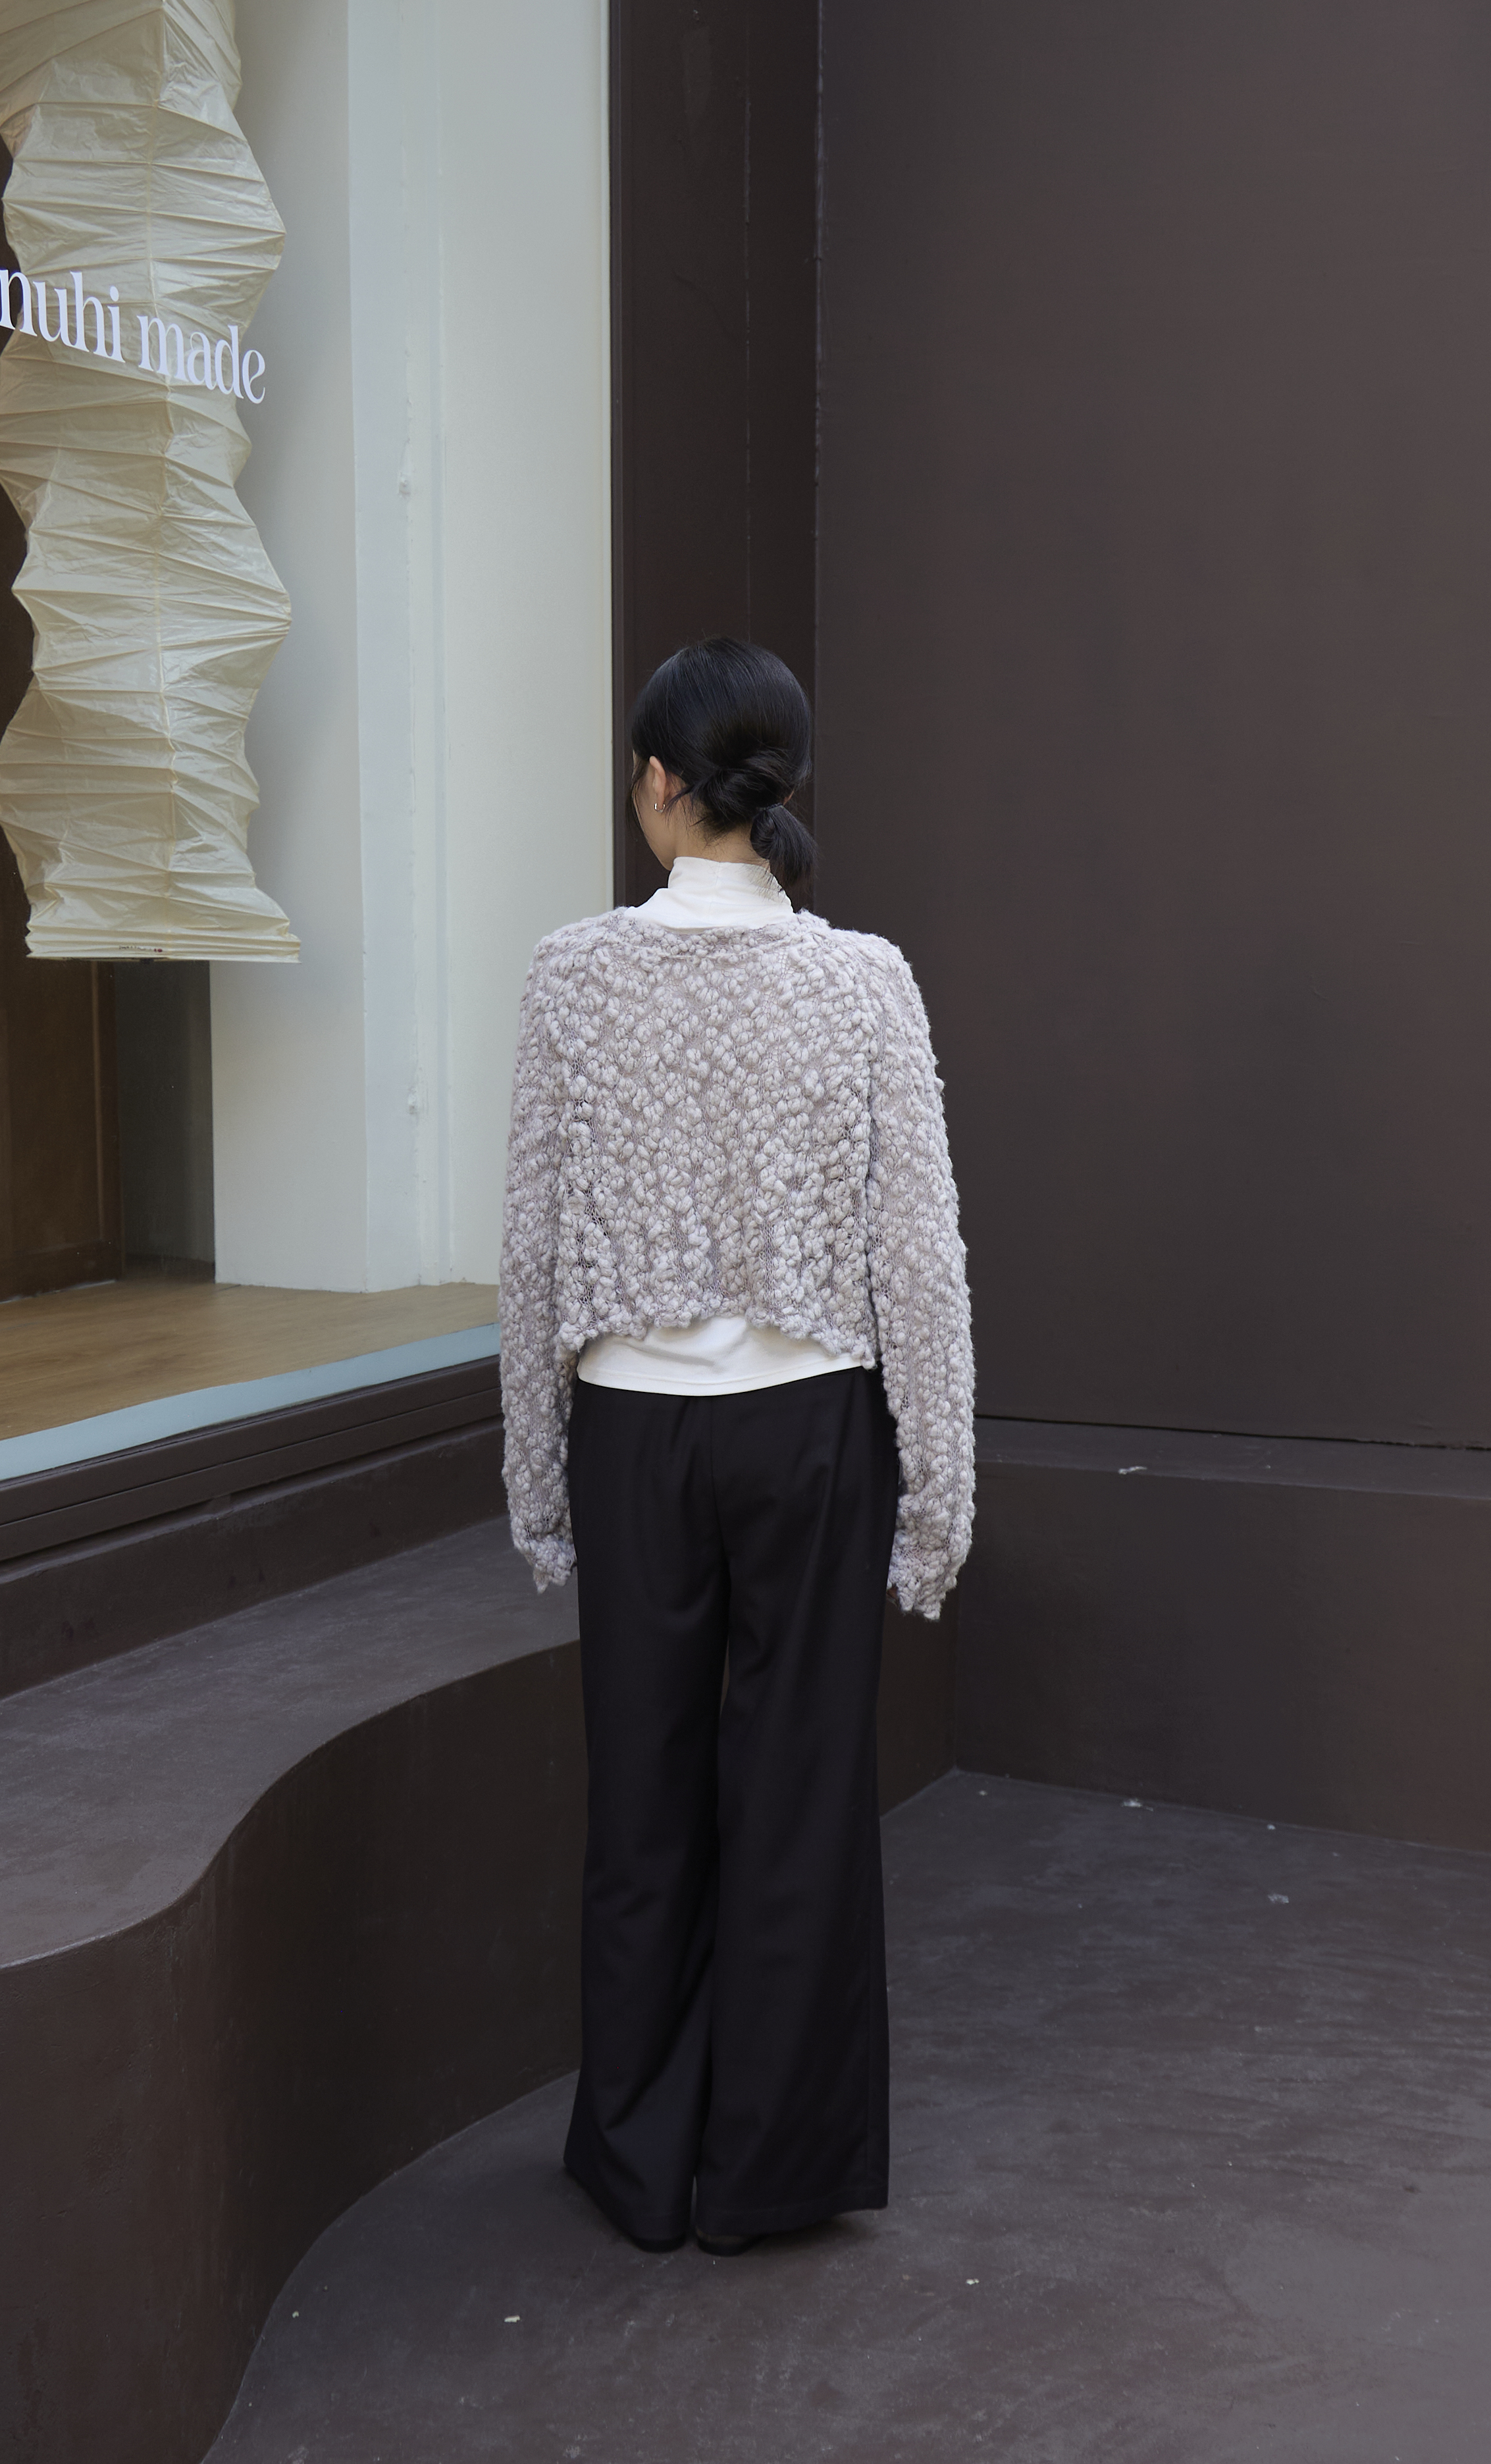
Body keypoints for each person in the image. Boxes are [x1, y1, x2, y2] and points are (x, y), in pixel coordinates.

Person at [499, 636, 973, 2258]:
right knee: (803, 1802)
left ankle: (639, 2163)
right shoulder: (866, 980)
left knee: (640, 1802)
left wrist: (534, 1476)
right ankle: (774, 2169)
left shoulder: (571, 974)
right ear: (777, 783)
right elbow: (920, 1255)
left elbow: (533, 1245)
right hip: (814, 1430)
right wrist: (939, 1495)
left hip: (634, 1436)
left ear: (655, 781)